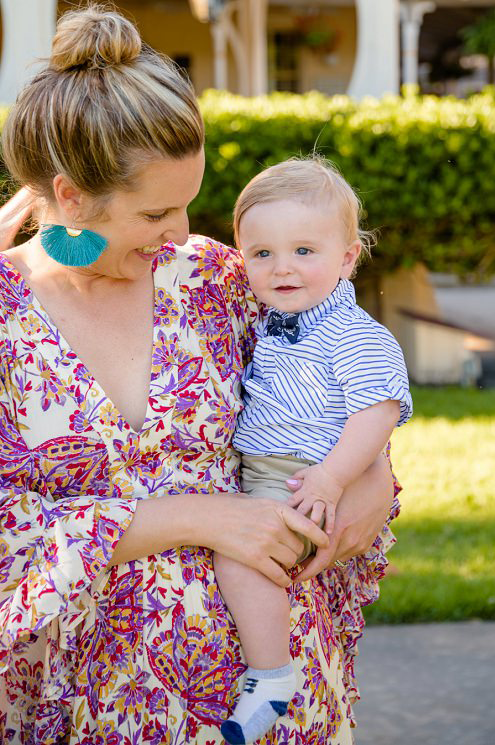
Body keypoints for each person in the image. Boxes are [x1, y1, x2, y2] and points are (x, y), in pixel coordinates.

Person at [0, 8, 396, 742]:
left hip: (279, 693)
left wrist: (370, 479)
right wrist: (198, 515)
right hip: (91, 703)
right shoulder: (5, 316)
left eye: (188, 201)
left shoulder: (213, 278)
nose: (182, 231)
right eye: (157, 211)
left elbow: (324, 391)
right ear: (72, 197)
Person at [216, 159, 411, 744]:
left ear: (348, 257)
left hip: (300, 478)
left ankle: (272, 676)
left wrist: (330, 479)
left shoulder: (352, 331)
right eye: (263, 254)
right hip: (265, 469)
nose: (283, 269)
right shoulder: (275, 320)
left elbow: (378, 410)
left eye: (305, 250)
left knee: (242, 558)